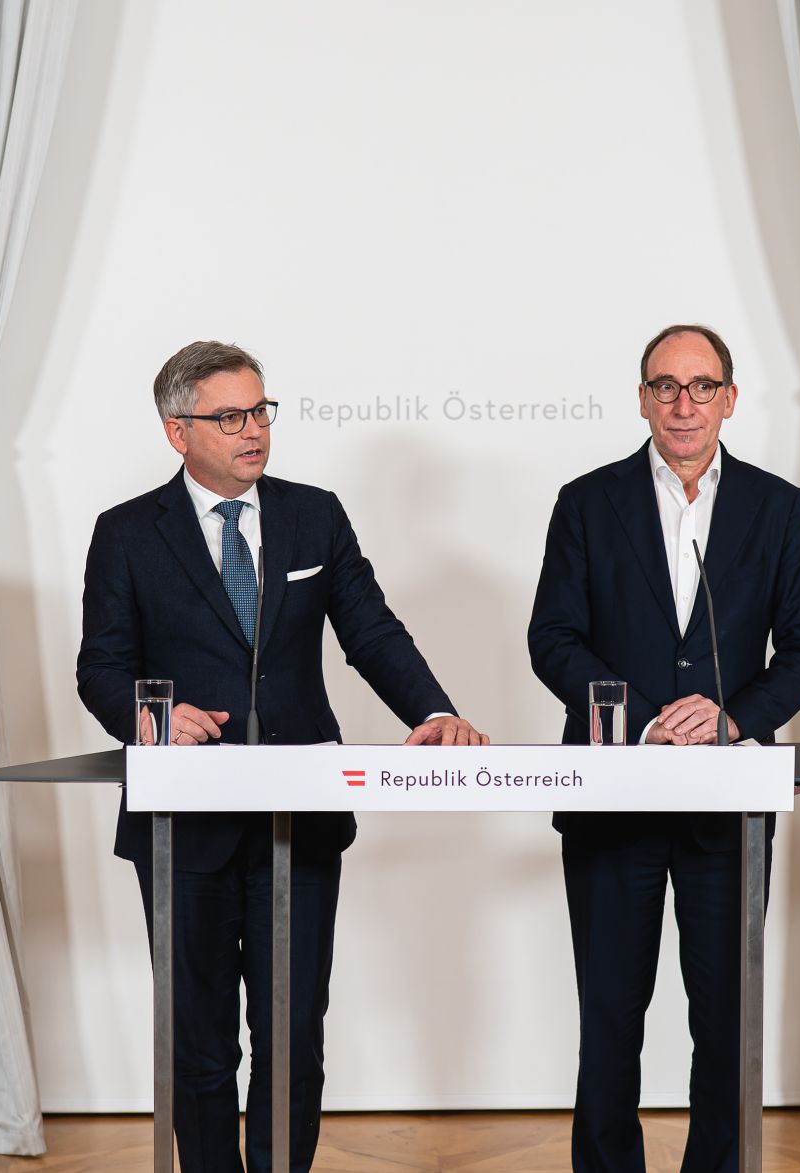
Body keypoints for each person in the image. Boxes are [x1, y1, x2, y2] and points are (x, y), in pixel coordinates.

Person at [77, 340, 488, 1173]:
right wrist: (153, 718)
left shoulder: (314, 515)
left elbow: (372, 632)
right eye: (230, 416)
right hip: (182, 826)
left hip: (298, 820)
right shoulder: (125, 532)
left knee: (293, 1034)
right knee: (198, 1042)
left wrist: (435, 710)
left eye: (260, 410)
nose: (253, 430)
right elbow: (101, 668)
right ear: (177, 431)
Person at [526, 324, 800, 1173]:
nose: (684, 404)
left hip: (728, 806)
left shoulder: (777, 507)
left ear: (729, 399)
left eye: (701, 387)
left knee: (728, 1022)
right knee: (609, 1019)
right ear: (642, 400)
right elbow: (552, 638)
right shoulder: (586, 502)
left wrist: (731, 718)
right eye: (666, 386)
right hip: (610, 798)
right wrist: (641, 716)